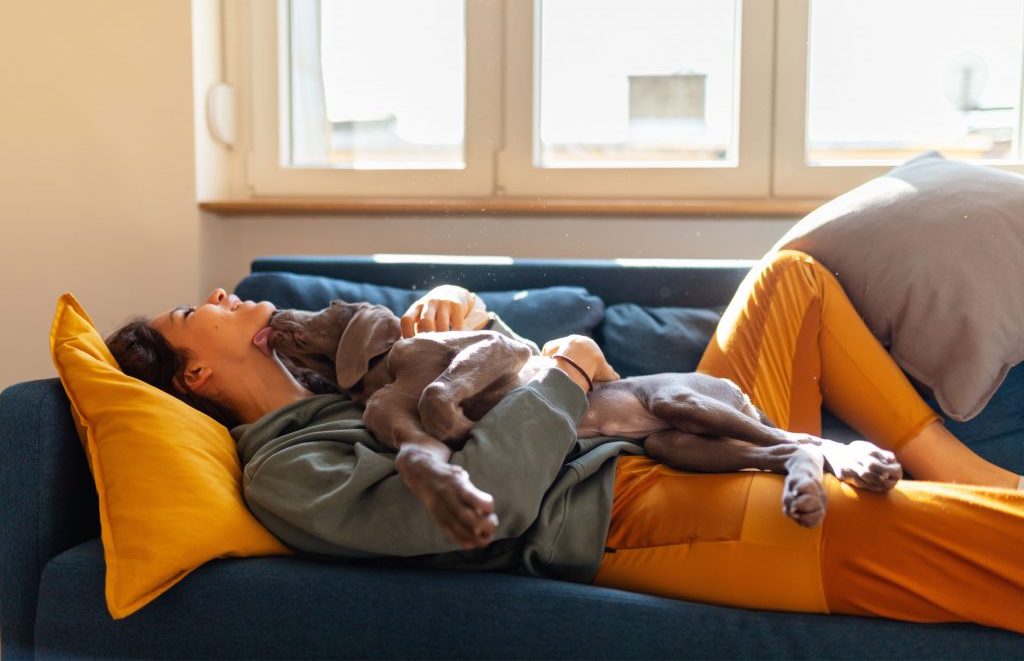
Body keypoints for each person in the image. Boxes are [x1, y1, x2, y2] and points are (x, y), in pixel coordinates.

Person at [106, 250, 1024, 633]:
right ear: (194, 377)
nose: (221, 297)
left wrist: (464, 312)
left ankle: (982, 475)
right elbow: (483, 505)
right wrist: (573, 369)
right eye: (198, 313)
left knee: (789, 280)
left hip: (656, 427)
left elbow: (468, 355)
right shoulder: (284, 471)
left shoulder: (342, 372)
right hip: (634, 507)